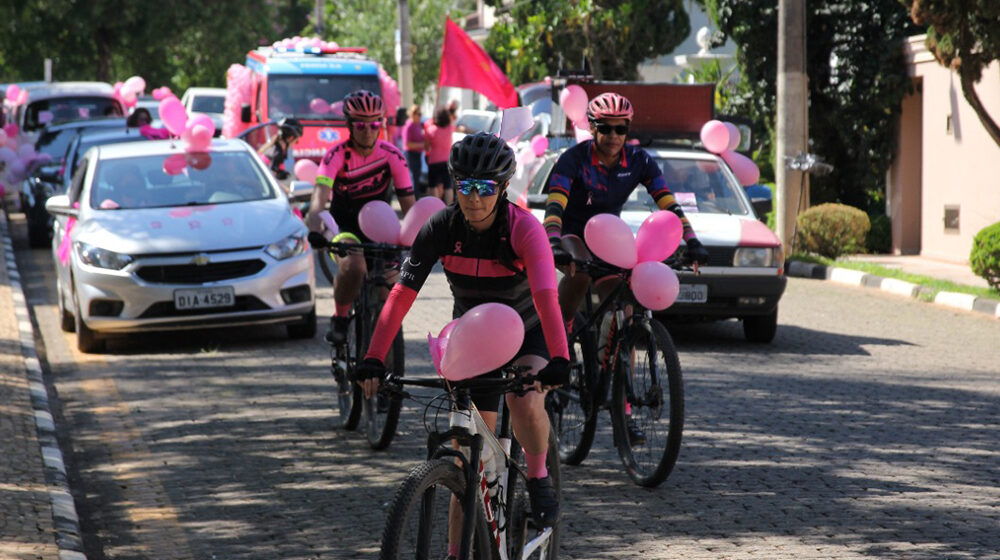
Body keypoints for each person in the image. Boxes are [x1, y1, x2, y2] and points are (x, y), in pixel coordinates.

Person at [356, 132, 570, 544]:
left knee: (523, 400)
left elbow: (547, 299)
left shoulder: (524, 229)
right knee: (466, 456)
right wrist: (373, 357)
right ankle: (457, 552)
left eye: (485, 188)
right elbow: (401, 295)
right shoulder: (440, 227)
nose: (473, 198)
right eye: (465, 186)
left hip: (529, 331)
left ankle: (540, 475)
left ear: (503, 188)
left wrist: (560, 357)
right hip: (474, 338)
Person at [543, 92, 710, 444]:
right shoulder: (573, 160)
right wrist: (554, 239)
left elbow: (667, 202)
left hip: (609, 237)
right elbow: (555, 203)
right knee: (581, 272)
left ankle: (624, 410)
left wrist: (692, 240)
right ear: (592, 128)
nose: (614, 135)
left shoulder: (638, 160)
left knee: (626, 309)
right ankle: (562, 334)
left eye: (621, 128)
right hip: (573, 234)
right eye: (606, 128)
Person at [306, 90, 415, 345]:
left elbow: (410, 207)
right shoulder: (335, 156)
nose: (368, 130)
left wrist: (425, 237)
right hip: (344, 228)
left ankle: (385, 356)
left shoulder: (393, 156)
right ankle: (340, 318)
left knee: (390, 288)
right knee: (355, 267)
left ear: (382, 125)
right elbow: (319, 198)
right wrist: (313, 227)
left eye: (375, 124)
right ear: (349, 125)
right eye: (361, 125)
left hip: (381, 229)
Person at [423, 107, 455, 204]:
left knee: (433, 185)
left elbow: (427, 148)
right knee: (448, 186)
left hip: (434, 161)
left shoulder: (430, 130)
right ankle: (449, 207)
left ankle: (436, 207)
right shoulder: (450, 128)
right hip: (447, 161)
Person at [257, 117, 302, 183]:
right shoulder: (276, 154)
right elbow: (272, 182)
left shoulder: (271, 149)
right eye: (296, 141)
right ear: (291, 138)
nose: (296, 144)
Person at [401, 105, 425, 196]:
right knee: (412, 177)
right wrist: (421, 145)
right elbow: (407, 144)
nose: (419, 116)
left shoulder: (419, 125)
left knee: (417, 176)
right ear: (413, 114)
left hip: (418, 154)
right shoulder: (409, 125)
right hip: (410, 154)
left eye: (420, 114)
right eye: (418, 114)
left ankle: (416, 196)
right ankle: (413, 198)